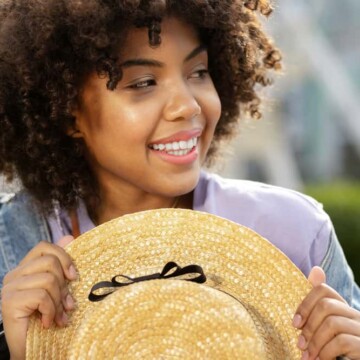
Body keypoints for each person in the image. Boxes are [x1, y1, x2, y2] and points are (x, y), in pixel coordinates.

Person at [0, 0, 359, 359]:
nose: (188, 105)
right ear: (66, 111)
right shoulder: (11, 249)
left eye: (199, 72)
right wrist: (17, 350)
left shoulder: (294, 234)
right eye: (144, 82)